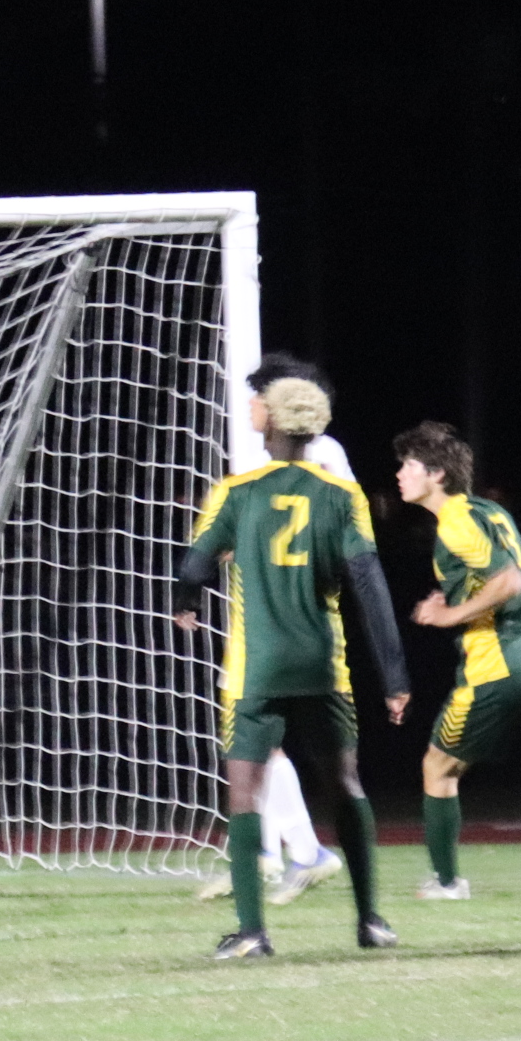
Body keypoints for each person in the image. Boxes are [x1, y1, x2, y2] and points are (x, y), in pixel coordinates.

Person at [172, 376, 408, 960]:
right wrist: (395, 676)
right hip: (324, 666)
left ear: (271, 424)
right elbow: (370, 586)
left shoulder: (237, 492)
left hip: (259, 668)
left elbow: (194, 568)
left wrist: (188, 600)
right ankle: (370, 919)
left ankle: (252, 931)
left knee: (246, 794)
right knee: (346, 785)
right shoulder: (340, 495)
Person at [390, 420, 521, 900]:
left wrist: (448, 615)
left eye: (409, 466)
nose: (401, 474)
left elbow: (511, 583)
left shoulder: (458, 519)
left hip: (497, 667)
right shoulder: (492, 511)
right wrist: (464, 593)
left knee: (437, 768)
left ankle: (447, 883)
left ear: (437, 474)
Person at [191, 354, 350, 908]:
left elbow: (334, 534)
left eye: (258, 397)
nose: (251, 408)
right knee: (257, 741)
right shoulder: (279, 457)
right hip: (261, 612)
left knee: (262, 738)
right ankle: (266, 853)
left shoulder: (321, 454)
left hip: (292, 620)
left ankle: (302, 854)